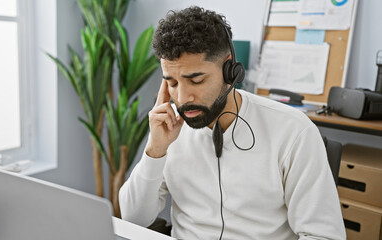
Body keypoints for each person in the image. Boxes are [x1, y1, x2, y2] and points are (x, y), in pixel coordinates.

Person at [119, 6, 346, 240]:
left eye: (196, 80)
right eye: (173, 83)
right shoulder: (169, 127)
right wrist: (155, 150)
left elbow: (324, 235)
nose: (183, 98)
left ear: (230, 70)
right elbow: (134, 219)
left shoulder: (292, 130)